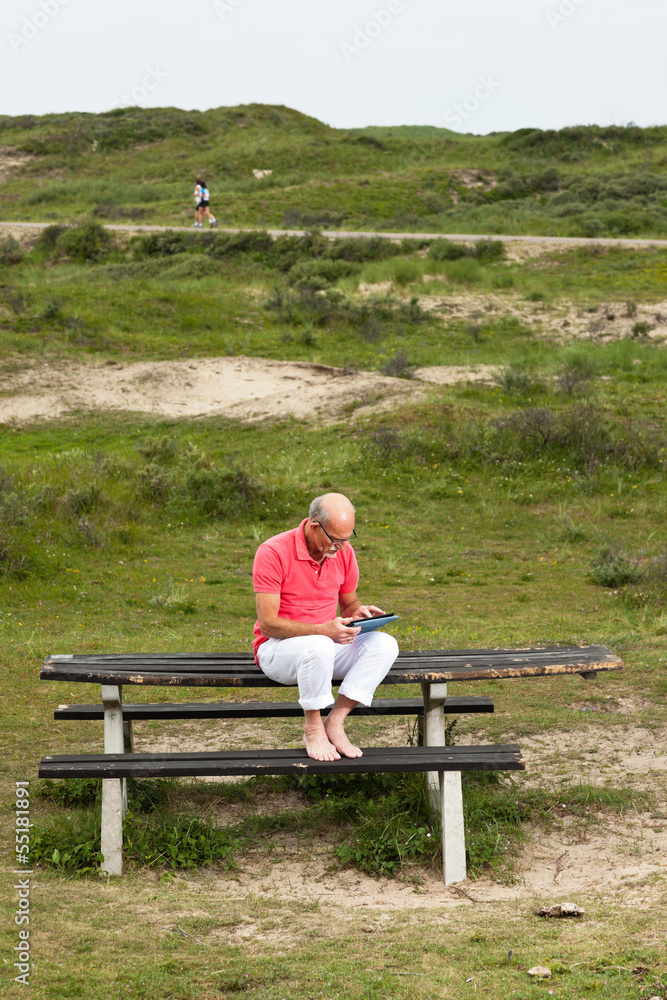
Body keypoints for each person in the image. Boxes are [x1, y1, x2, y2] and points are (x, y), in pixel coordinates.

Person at [252, 493, 399, 762]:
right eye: (336, 540)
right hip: (276, 650)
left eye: (347, 538)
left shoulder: (343, 552)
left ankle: (336, 721)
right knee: (319, 644)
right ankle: (312, 727)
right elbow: (268, 624)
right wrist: (324, 631)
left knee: (385, 644)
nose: (341, 547)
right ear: (314, 526)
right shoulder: (272, 552)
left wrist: (358, 612)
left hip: (324, 646)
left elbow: (349, 600)